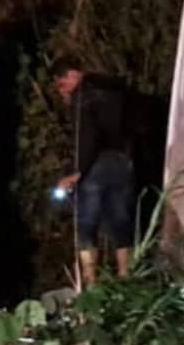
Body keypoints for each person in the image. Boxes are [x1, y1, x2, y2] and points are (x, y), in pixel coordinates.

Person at [52, 57, 136, 285]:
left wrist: (76, 172)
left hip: (95, 167)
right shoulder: (117, 90)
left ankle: (91, 283)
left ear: (71, 75)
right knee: (121, 223)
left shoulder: (82, 97)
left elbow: (86, 138)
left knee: (86, 224)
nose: (63, 90)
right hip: (123, 162)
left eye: (61, 84)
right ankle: (126, 278)